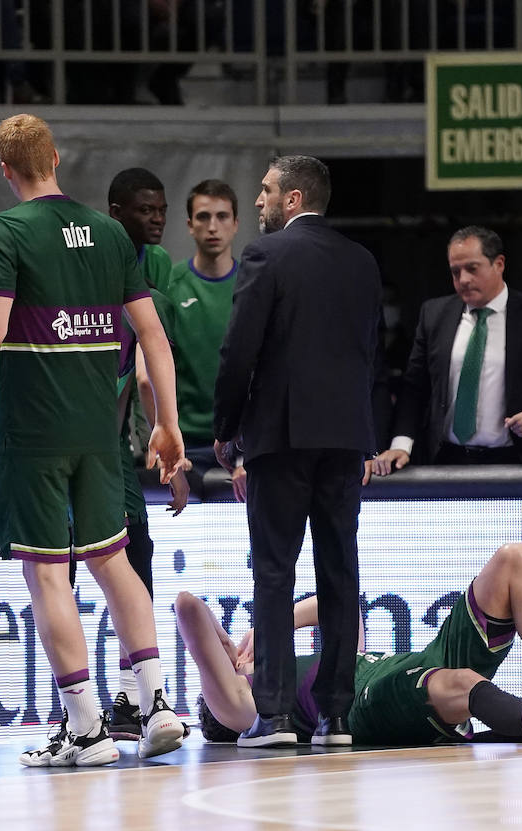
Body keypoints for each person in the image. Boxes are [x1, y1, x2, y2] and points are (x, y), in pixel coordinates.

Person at [0, 114, 187, 766]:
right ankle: (158, 703)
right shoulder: (109, 233)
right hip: (98, 432)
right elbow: (154, 336)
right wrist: (169, 421)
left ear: (3, 168)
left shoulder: (5, 231)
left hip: (37, 432)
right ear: (55, 156)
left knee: (49, 575)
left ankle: (85, 727)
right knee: (116, 562)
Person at [212, 154, 382, 748]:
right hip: (346, 438)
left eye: (264, 192)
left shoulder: (266, 255)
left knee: (274, 572)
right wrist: (366, 434)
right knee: (339, 573)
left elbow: (240, 352)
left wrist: (226, 426)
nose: (257, 201)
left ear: (291, 199)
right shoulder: (362, 262)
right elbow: (371, 356)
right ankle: (337, 717)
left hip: (280, 437)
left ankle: (277, 715)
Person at [177, 541, 522, 749]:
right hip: (373, 702)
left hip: (422, 658)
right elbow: (188, 607)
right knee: (460, 683)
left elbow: (344, 611)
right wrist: (243, 648)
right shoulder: (244, 709)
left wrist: (271, 627)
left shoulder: (314, 664)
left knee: (516, 559)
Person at [373, 226, 522, 471]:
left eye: (472, 269)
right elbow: (414, 388)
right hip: (447, 460)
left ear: (499, 264)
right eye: (456, 271)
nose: (463, 279)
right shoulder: (434, 315)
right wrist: (401, 444)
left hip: (517, 462)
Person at [103, 166, 187, 741]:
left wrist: (162, 436)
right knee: (71, 568)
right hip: (66, 442)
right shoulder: (94, 270)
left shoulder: (148, 277)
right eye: (144, 209)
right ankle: (87, 710)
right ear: (115, 212)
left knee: (133, 551)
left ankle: (133, 698)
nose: (156, 218)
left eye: (162, 209)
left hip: (108, 447)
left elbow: (142, 373)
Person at [149, 178, 241, 471]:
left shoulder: (254, 286)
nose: (212, 226)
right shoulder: (170, 286)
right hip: (183, 442)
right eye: (203, 217)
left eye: (222, 216)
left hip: (241, 443)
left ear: (236, 223)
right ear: (190, 225)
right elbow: (151, 368)